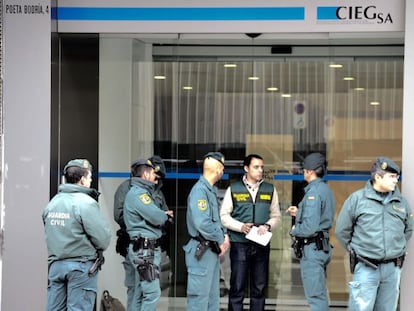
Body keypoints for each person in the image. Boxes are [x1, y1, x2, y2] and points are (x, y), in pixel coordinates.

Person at [335, 156, 413, 311]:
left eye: (396, 177)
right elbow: (342, 231)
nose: (395, 180)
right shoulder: (357, 199)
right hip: (366, 267)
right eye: (391, 177)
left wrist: (396, 248)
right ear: (378, 177)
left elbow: (408, 230)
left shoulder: (401, 203)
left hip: (392, 270)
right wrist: (356, 251)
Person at [42, 159, 112, 311]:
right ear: (82, 180)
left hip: (56, 266)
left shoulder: (53, 202)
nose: (91, 179)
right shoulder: (86, 203)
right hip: (80, 268)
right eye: (89, 176)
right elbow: (103, 239)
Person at [220, 153, 281, 311]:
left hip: (261, 244)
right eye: (256, 167)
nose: (260, 170)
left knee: (259, 288)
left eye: (261, 167)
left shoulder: (270, 189)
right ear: (246, 168)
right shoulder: (234, 189)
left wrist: (267, 226)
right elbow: (223, 216)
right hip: (240, 244)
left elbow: (276, 217)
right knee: (237, 287)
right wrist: (240, 226)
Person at [286, 152, 336, 311]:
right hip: (322, 246)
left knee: (315, 296)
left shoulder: (313, 193)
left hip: (313, 248)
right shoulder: (324, 189)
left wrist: (294, 230)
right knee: (320, 292)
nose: (303, 172)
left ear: (309, 170)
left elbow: (309, 227)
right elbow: (320, 216)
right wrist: (299, 212)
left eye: (304, 169)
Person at [124, 158, 174, 311]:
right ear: (145, 174)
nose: (155, 176)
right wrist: (164, 216)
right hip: (145, 251)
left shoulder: (142, 193)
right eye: (153, 172)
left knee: (140, 292)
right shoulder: (139, 194)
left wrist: (160, 214)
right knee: (152, 293)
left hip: (144, 249)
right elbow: (156, 216)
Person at [183, 152, 230, 311]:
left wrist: (224, 235)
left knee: (212, 301)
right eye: (222, 169)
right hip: (201, 252)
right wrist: (221, 239)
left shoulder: (210, 190)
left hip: (211, 251)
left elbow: (215, 219)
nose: (223, 173)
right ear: (218, 169)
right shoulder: (199, 191)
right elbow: (202, 223)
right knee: (199, 303)